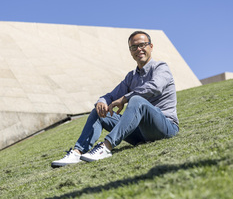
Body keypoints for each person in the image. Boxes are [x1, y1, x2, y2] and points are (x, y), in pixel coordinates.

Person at [51, 30, 179, 167]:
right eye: (134, 47)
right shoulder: (131, 76)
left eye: (142, 45)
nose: (138, 49)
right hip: (140, 134)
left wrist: (124, 99)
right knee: (99, 110)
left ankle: (106, 147)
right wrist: (102, 101)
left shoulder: (161, 67)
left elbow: (154, 87)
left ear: (151, 47)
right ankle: (78, 152)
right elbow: (112, 95)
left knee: (136, 100)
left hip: (165, 127)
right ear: (130, 51)